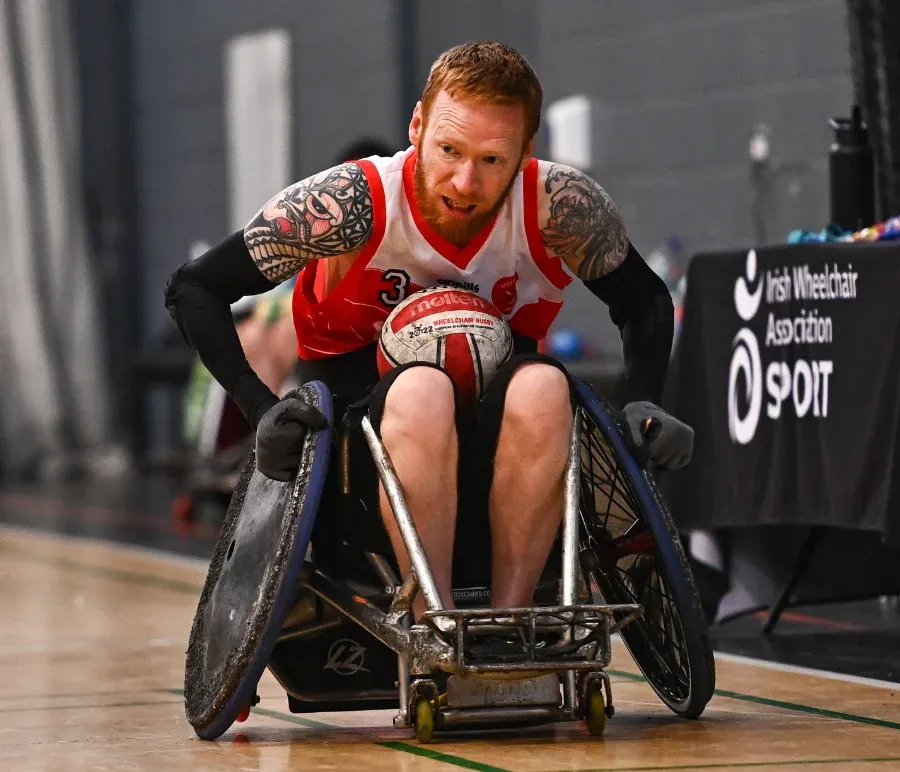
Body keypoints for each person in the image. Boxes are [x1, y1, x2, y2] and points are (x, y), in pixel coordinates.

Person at [165, 41, 693, 621]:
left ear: (525, 153)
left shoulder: (559, 205)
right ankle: (434, 624)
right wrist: (259, 406)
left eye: (492, 160)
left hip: (500, 444)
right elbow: (193, 287)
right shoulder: (351, 202)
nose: (465, 182)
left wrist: (645, 397)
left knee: (547, 385)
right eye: (449, 150)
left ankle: (508, 624)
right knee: (422, 391)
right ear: (417, 126)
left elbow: (644, 299)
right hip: (354, 454)